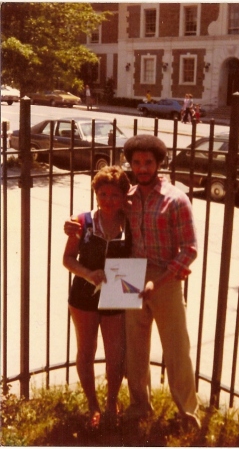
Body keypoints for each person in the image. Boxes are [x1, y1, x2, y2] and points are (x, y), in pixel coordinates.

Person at [64, 135, 201, 430]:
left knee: (176, 349)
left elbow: (190, 248)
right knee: (135, 351)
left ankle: (188, 412)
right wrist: (71, 224)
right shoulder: (131, 199)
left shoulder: (176, 199)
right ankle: (139, 405)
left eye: (148, 162)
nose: (141, 168)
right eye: (136, 162)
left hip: (165, 278)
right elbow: (102, 210)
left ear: (158, 163)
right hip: (129, 274)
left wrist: (163, 278)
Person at [63, 165, 131, 430]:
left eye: (114, 195)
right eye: (103, 194)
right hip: (83, 296)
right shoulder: (82, 222)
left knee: (116, 354)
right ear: (96, 194)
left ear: (123, 196)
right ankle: (93, 404)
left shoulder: (131, 222)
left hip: (118, 293)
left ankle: (112, 400)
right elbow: (67, 259)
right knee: (86, 350)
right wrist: (87, 274)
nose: (108, 200)